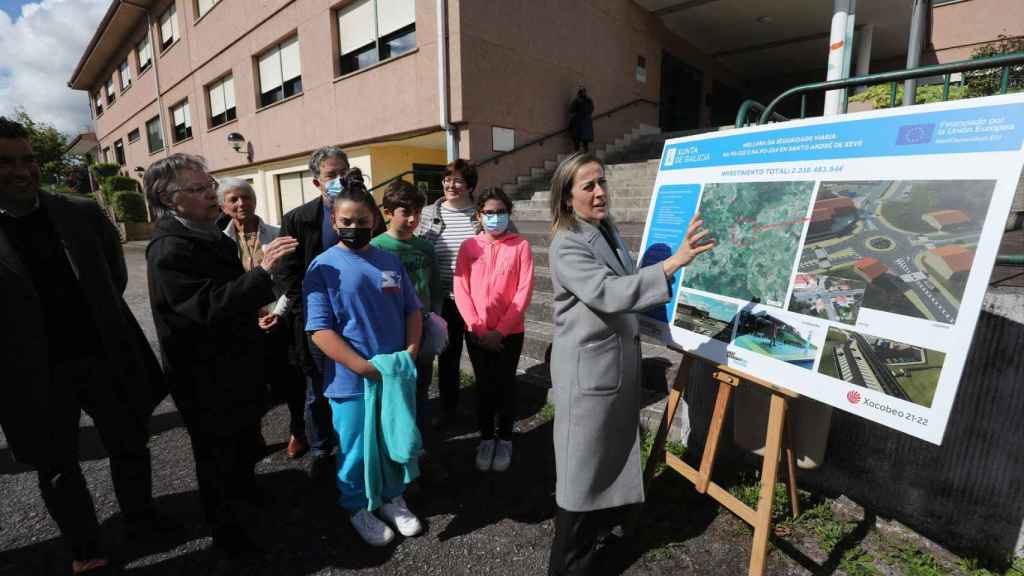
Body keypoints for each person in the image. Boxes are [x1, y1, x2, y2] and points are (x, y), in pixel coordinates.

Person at [0, 116, 169, 575]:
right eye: (6, 162)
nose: (22, 171)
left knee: (130, 441)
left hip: (101, 354)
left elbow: (114, 275)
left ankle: (141, 519)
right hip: (33, 372)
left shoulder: (80, 212)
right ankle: (84, 547)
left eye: (28, 159)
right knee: (56, 466)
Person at [545, 152, 714, 575]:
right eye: (588, 186)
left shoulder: (605, 229)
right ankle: (568, 564)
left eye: (601, 182)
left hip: (609, 367)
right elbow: (608, 293)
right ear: (566, 198)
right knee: (580, 476)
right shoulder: (567, 243)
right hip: (587, 374)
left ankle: (599, 540)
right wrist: (673, 262)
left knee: (603, 460)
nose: (599, 192)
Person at [144, 153, 298, 555]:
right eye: (198, 189)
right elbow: (205, 306)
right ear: (170, 198)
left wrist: (256, 311)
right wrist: (263, 273)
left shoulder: (209, 231)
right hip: (204, 376)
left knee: (243, 443)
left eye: (209, 185)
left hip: (235, 365)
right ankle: (228, 535)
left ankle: (246, 498)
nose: (211, 194)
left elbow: (229, 297)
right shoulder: (169, 248)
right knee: (216, 457)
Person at [303, 174, 424, 547]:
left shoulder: (389, 261)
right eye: (346, 221)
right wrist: (363, 368)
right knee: (355, 450)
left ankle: (391, 497)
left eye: (362, 220)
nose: (354, 227)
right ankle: (357, 506)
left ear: (374, 220)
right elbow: (319, 330)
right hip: (351, 381)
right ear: (334, 221)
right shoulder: (322, 267)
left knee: (391, 441)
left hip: (393, 375)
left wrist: (411, 352)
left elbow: (412, 310)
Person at [277, 146, 355, 480]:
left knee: (353, 381)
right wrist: (307, 312)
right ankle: (322, 449)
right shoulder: (298, 219)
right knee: (318, 386)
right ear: (316, 182)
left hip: (354, 317)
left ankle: (352, 443)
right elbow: (287, 272)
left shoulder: (363, 209)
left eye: (343, 173)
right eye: (331, 175)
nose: (339, 179)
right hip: (315, 320)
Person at [218, 177, 308, 458]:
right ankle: (255, 433)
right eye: (233, 199)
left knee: (292, 377)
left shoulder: (279, 234)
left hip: (279, 314)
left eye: (246, 197)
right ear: (223, 206)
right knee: (250, 380)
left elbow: (292, 279)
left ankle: (298, 430)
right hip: (242, 322)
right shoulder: (218, 241)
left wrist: (277, 312)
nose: (241, 203)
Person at [453, 188, 534, 473]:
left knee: (506, 385)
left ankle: (506, 439)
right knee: (484, 386)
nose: (495, 217)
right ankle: (487, 439)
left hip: (509, 333)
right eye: (489, 212)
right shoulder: (468, 247)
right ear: (479, 215)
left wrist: (499, 331)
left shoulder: (521, 246)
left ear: (509, 214)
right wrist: (477, 327)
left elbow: (523, 291)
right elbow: (460, 288)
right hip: (475, 332)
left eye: (501, 212)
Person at [370, 179, 446, 479]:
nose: (413, 218)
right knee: (392, 398)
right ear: (388, 213)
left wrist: (436, 321)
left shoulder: (424, 247)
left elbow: (436, 289)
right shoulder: (376, 247)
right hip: (390, 337)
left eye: (417, 212)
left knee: (420, 393)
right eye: (405, 212)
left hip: (422, 333)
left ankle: (420, 454)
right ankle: (394, 462)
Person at [414, 159, 480, 429]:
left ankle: (485, 410)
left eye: (458, 180)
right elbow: (415, 247)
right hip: (444, 299)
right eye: (447, 179)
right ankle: (448, 410)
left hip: (477, 299)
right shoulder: (429, 213)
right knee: (448, 357)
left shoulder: (481, 213)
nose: (451, 185)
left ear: (470, 186)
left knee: (480, 355)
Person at [569, 87, 594, 152]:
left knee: (582, 140)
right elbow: (571, 109)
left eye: (584, 92)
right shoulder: (579, 100)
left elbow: (571, 110)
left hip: (582, 122)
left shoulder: (587, 100)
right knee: (579, 139)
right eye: (583, 92)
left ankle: (582, 151)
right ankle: (580, 151)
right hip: (580, 122)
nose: (584, 93)